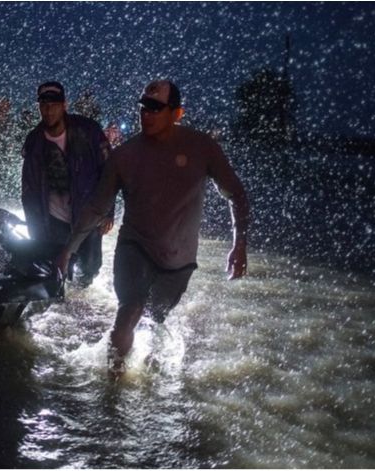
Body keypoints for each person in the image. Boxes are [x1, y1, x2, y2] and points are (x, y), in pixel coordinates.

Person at [55, 80, 250, 376]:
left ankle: (149, 369)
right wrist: (68, 251)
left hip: (179, 260)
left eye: (155, 108)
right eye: (143, 107)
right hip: (135, 246)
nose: (146, 114)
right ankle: (112, 385)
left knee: (153, 317)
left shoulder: (202, 148)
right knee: (129, 310)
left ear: (177, 113)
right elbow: (96, 208)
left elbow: (236, 194)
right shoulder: (125, 156)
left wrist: (239, 245)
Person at [21, 81, 113, 287]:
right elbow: (29, 190)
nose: (48, 110)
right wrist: (35, 230)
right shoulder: (34, 141)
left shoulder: (89, 131)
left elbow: (109, 172)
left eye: (54, 104)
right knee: (56, 268)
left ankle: (83, 290)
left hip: (88, 214)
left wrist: (109, 212)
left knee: (90, 267)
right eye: (44, 104)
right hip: (53, 218)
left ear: (64, 105)